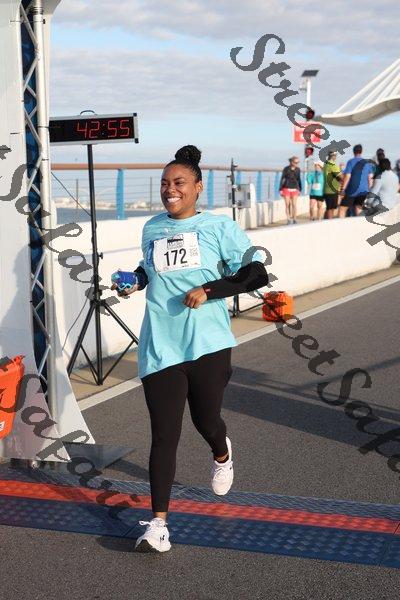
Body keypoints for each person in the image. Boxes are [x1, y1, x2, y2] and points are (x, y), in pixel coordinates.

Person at [114, 145, 269, 553]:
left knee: (207, 421)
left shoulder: (219, 227)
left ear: (198, 187)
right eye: (165, 183)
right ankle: (158, 525)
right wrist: (133, 280)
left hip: (207, 344)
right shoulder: (151, 228)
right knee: (164, 434)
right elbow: (150, 269)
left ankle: (221, 452)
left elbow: (256, 273)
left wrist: (209, 289)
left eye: (179, 182)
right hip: (160, 345)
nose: (170, 189)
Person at [338, 144, 374, 218]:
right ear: (361, 151)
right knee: (358, 209)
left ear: (353, 151)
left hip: (351, 190)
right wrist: (370, 190)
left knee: (342, 209)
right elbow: (370, 178)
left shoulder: (351, 162)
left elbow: (347, 176)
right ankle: (358, 225)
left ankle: (341, 225)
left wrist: (343, 189)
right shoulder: (367, 163)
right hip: (363, 191)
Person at [279, 156, 302, 224]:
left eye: (298, 162)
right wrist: (280, 189)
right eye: (295, 162)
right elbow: (282, 178)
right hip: (286, 188)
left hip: (295, 188)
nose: (297, 164)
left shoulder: (298, 169)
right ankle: (288, 219)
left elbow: (299, 179)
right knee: (287, 204)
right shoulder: (286, 169)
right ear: (291, 162)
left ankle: (294, 218)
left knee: (294, 204)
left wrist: (300, 188)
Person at [323, 151, 342, 219]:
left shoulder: (326, 164)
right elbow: (340, 176)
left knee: (329, 208)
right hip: (332, 190)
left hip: (327, 189)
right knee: (331, 209)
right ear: (334, 156)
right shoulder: (332, 164)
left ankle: (325, 221)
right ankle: (329, 223)